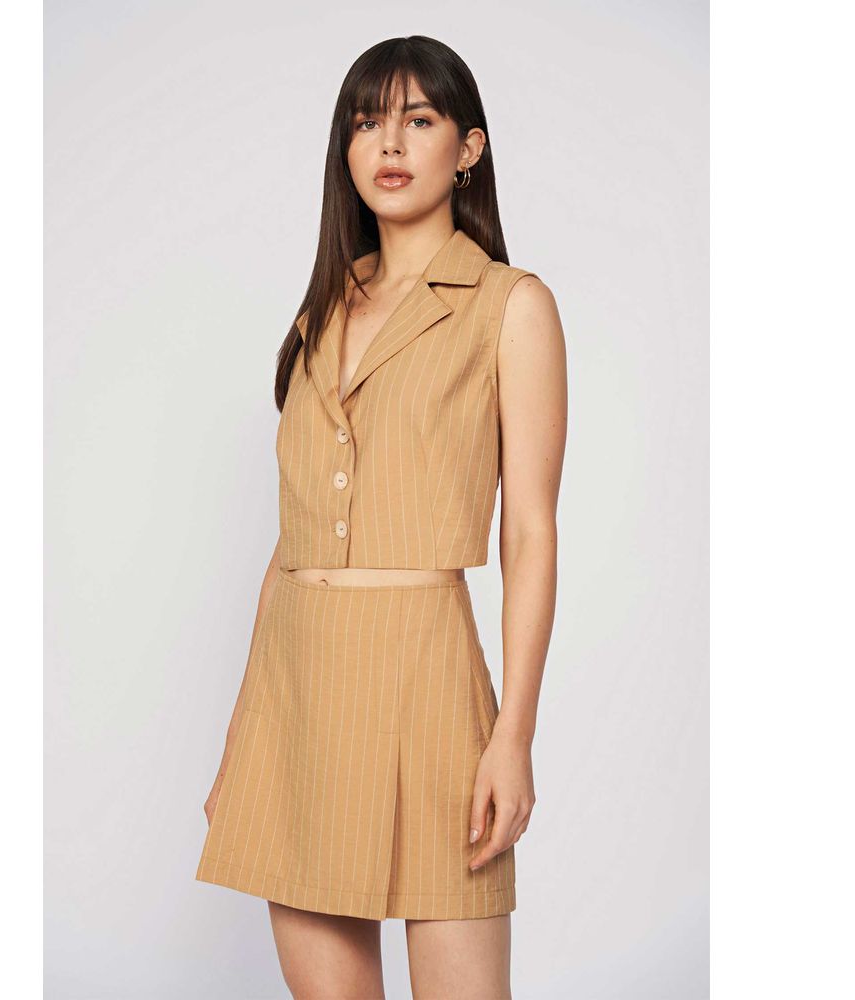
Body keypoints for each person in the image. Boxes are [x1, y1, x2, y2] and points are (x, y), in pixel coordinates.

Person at [196, 35, 567, 1000]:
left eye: (419, 119)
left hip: (427, 684)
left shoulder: (510, 306)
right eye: (366, 123)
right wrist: (243, 742)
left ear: (468, 148)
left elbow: (529, 532)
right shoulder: (322, 311)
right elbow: (292, 542)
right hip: (297, 695)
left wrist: (514, 735)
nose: (389, 144)